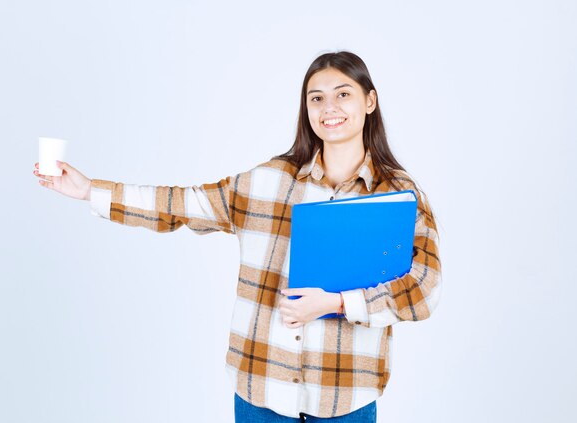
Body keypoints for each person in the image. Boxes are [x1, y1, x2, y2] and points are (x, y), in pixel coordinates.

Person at [33, 50, 442, 422]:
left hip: (345, 400)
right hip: (259, 392)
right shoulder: (266, 182)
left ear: (369, 102)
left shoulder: (398, 197)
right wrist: (90, 190)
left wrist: (337, 303)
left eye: (343, 95)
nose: (329, 108)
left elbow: (424, 290)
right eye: (316, 98)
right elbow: (183, 204)